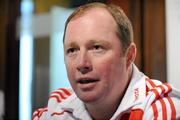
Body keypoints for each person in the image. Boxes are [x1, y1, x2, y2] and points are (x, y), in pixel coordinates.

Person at [33, 2, 180, 120]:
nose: (81, 64)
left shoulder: (161, 109)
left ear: (129, 56)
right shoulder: (56, 108)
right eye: (72, 50)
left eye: (97, 47)